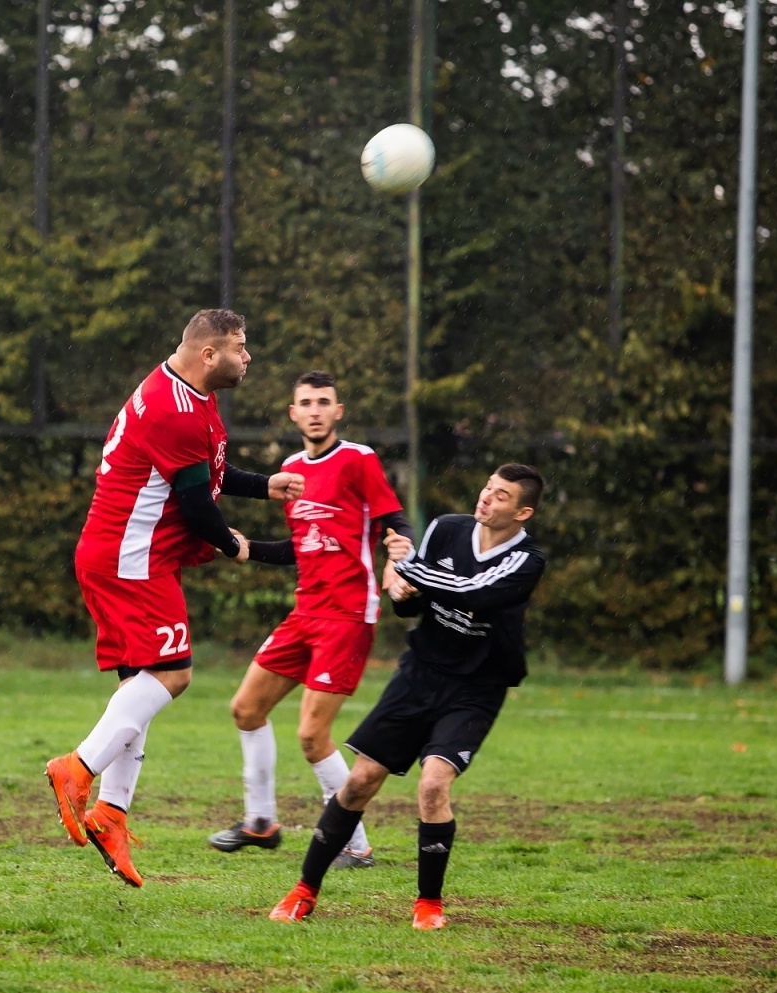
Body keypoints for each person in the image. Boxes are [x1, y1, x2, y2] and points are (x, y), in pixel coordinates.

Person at [45, 309, 304, 887]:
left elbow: (202, 473)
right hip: (130, 560)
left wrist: (263, 485)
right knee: (174, 675)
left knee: (136, 690)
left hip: (122, 554)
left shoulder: (183, 391)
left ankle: (111, 812)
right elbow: (196, 507)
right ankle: (77, 768)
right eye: (241, 347)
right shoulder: (174, 408)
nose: (248, 357)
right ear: (209, 354)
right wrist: (249, 548)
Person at [268, 464, 546, 930]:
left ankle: (428, 905)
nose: (486, 499)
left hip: (476, 688)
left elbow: (472, 593)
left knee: (434, 785)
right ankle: (303, 890)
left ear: (523, 512)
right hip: (420, 674)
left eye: (501, 497)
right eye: (487, 488)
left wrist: (407, 565)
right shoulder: (447, 528)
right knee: (359, 782)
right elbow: (416, 603)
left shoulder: (527, 560)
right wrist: (401, 589)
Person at [206, 370, 412, 868]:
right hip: (305, 613)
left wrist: (398, 554)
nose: (316, 410)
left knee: (311, 736)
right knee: (246, 709)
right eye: (306, 402)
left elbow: (395, 520)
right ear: (293, 413)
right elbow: (301, 548)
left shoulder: (358, 460)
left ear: (337, 412)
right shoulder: (291, 470)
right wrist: (246, 548)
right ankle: (260, 823)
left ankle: (354, 844)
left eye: (325, 401)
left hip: (347, 615)